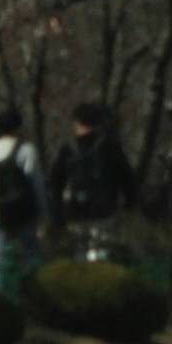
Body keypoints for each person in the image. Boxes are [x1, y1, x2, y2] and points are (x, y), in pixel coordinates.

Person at [46, 100, 138, 258]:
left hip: (75, 210)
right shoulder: (109, 146)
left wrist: (57, 211)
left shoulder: (68, 148)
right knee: (103, 251)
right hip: (104, 209)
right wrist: (129, 202)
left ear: (77, 122)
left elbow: (56, 181)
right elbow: (126, 177)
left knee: (79, 252)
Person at [0, 108, 41, 291]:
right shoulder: (27, 151)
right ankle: (32, 296)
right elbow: (36, 185)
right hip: (25, 213)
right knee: (31, 256)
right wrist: (45, 216)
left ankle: (0, 300)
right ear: (17, 128)